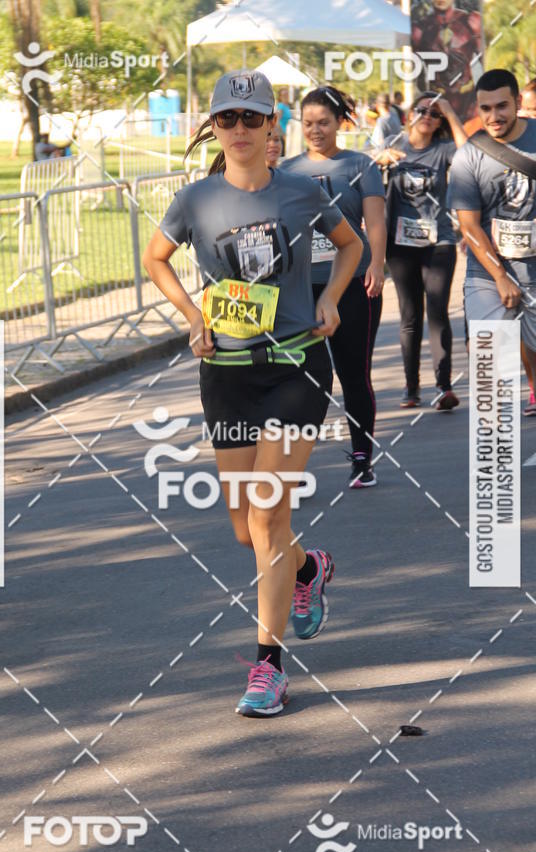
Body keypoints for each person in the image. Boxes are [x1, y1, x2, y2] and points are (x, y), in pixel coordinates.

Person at [142, 70, 363, 717]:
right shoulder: (195, 200)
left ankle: (268, 666)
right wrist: (192, 314)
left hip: (297, 367)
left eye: (251, 117)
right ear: (213, 126)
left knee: (267, 514)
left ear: (274, 125)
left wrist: (329, 298)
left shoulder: (303, 191)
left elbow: (352, 245)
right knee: (246, 530)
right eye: (227, 118)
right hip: (230, 374)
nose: (239, 128)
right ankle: (306, 568)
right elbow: (156, 257)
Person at [281, 86, 387, 487]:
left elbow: (375, 222)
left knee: (353, 374)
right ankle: (290, 468)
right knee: (299, 379)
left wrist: (376, 264)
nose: (315, 130)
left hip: (353, 285)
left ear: (340, 122)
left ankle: (362, 458)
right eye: (308, 123)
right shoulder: (287, 170)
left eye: (323, 122)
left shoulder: (361, 164)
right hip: (301, 291)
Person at [448, 68, 536, 416]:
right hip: (487, 274)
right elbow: (469, 225)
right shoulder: (468, 156)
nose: (494, 116)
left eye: (502, 106)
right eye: (485, 109)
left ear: (517, 103)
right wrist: (500, 275)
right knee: (488, 363)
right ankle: (496, 462)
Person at [376, 91, 467, 409]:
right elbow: (363, 170)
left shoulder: (442, 150)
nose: (427, 116)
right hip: (400, 245)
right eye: (422, 110)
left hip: (438, 242)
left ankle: (443, 387)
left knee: (439, 312)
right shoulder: (393, 144)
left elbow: (468, 154)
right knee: (410, 314)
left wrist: (451, 113)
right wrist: (380, 160)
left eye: (434, 113)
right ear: (410, 114)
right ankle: (411, 387)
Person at [411, 0, 483, 122]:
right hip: (436, 103)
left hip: (466, 100)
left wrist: (480, 101)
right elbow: (417, 74)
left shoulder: (472, 21)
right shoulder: (419, 30)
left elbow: (483, 60)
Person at [518, 79, 536, 414]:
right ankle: (533, 385)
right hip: (518, 250)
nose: (528, 115)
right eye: (527, 108)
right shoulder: (511, 143)